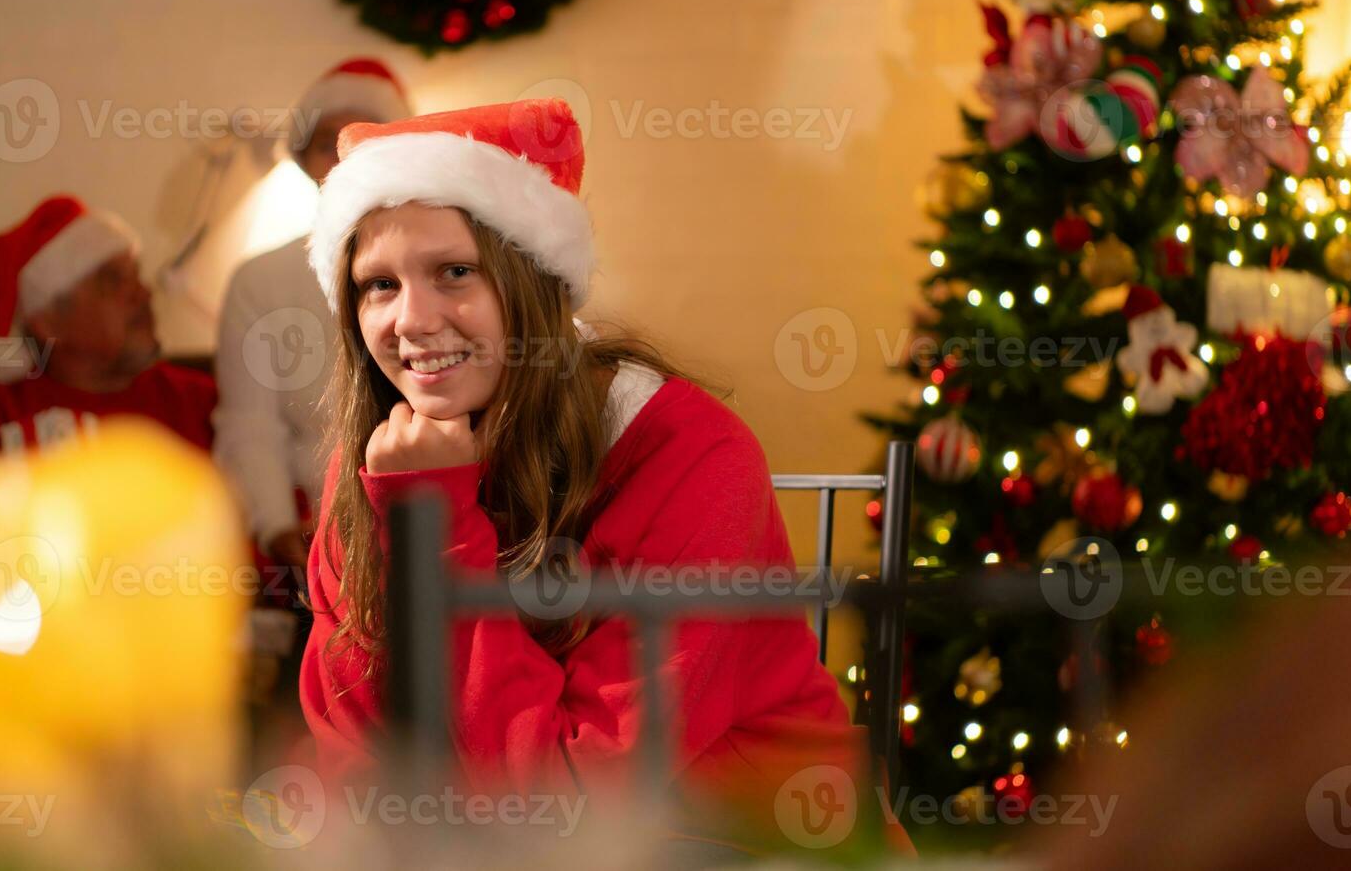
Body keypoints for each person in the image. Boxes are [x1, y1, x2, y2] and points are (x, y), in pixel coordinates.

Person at [296, 98, 910, 854]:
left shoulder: (690, 454)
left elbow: (576, 802)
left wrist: (437, 521)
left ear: (533, 283)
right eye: (377, 285)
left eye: (455, 272)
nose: (411, 320)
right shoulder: (381, 457)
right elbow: (354, 736)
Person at [214, 58, 411, 577]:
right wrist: (278, 528)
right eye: (330, 143)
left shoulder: (442, 268)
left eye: (369, 141)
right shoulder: (261, 280)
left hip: (439, 515)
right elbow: (250, 423)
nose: (348, 161)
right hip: (321, 533)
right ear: (302, 159)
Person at [0, 195, 215, 471]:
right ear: (46, 323)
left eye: (136, 274)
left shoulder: (209, 407)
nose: (143, 292)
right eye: (111, 280)